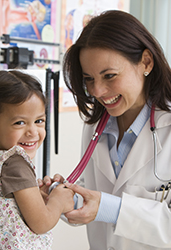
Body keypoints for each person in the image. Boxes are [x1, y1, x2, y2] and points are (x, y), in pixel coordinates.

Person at [44, 10, 171, 249]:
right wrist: (64, 198)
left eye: (109, 76)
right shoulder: (95, 127)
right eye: (89, 79)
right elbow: (94, 201)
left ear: (146, 62)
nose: (97, 91)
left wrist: (109, 208)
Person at [0, 70, 74, 249]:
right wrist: (58, 200)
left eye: (39, 121)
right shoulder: (14, 163)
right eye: (20, 123)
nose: (32, 132)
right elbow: (41, 223)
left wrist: (38, 196)